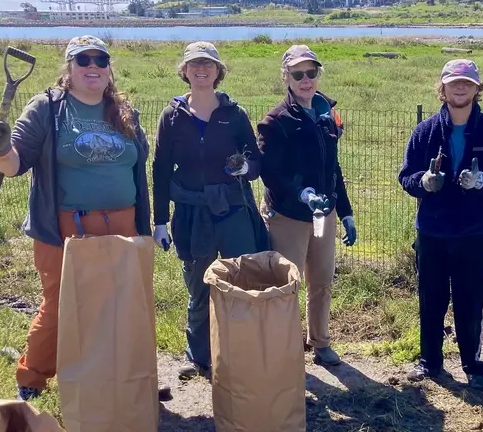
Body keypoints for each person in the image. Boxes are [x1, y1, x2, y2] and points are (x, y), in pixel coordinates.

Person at [0, 35, 152, 401]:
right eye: (83, 60)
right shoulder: (47, 109)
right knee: (60, 304)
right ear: (68, 69)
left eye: (100, 60)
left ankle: (114, 376)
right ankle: (33, 377)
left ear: (109, 70)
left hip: (123, 225)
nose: (92, 67)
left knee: (120, 306)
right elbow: (12, 168)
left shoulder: (124, 112)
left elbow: (138, 165)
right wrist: (2, 147)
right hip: (66, 229)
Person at [152, 42, 267, 381]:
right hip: (191, 214)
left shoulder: (234, 115)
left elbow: (256, 162)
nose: (201, 68)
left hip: (233, 209)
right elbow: (159, 168)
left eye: (208, 63)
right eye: (194, 64)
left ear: (218, 72)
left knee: (242, 281)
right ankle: (198, 357)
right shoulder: (171, 116)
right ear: (184, 71)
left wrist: (243, 168)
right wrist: (160, 220)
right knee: (199, 287)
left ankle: (242, 352)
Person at [398, 59, 483, 391]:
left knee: (471, 301)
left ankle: (473, 366)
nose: (460, 87)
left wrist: (482, 181)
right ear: (443, 88)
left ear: (478, 88)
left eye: (467, 82)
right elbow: (405, 176)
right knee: (430, 299)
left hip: (473, 233)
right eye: (453, 82)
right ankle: (430, 362)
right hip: (432, 233)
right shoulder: (425, 132)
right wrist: (424, 181)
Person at [257, 44, 357, 368]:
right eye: (297, 73)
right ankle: (284, 348)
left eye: (311, 72)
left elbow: (334, 168)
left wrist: (346, 212)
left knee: (323, 278)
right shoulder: (275, 121)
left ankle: (321, 343)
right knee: (288, 284)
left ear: (317, 74)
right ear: (286, 76)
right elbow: (269, 173)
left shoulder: (327, 110)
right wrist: (301, 194)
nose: (305, 79)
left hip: (322, 215)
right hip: (288, 215)